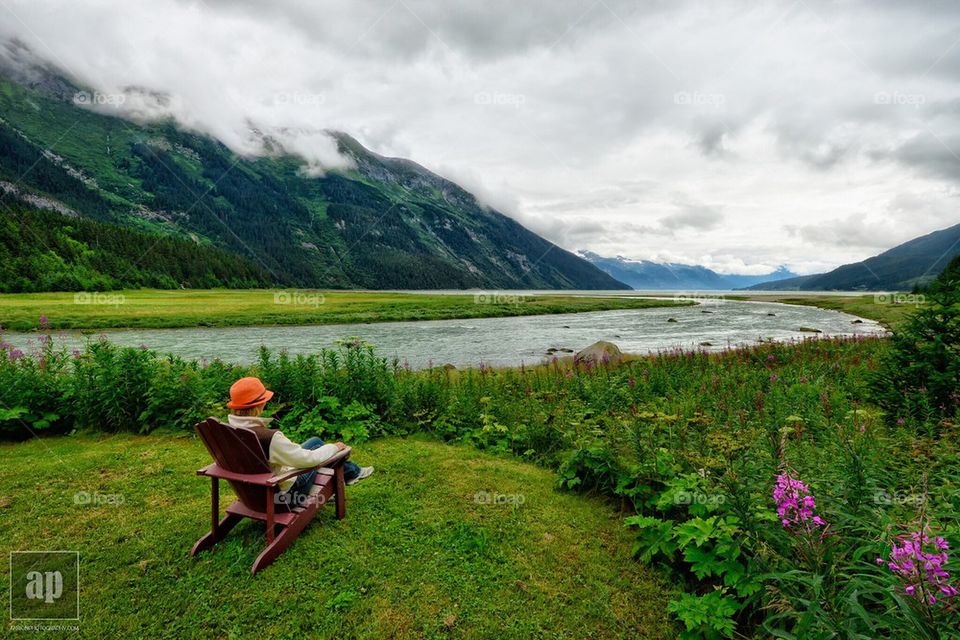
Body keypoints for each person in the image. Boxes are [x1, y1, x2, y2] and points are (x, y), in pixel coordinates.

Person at [225, 377, 374, 506]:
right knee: (321, 452)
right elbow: (310, 460)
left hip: (250, 493)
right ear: (258, 405)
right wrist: (334, 447)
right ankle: (353, 473)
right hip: (283, 495)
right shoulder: (268, 437)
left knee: (315, 442)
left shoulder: (227, 431)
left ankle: (354, 472)